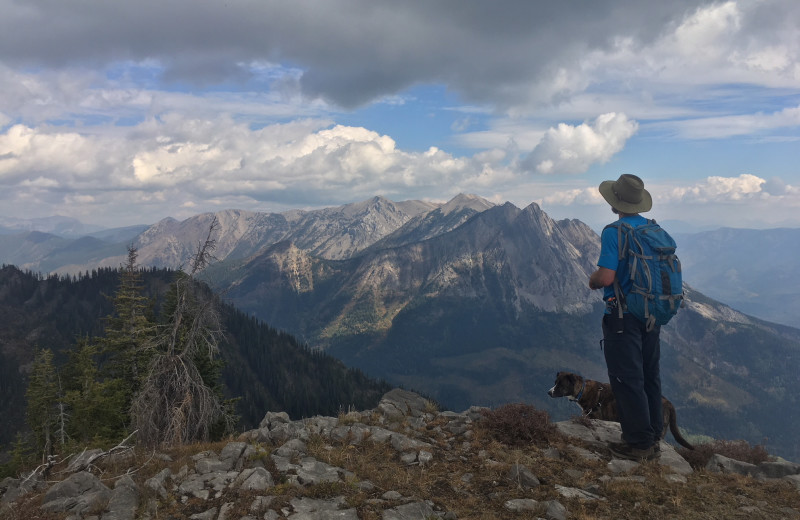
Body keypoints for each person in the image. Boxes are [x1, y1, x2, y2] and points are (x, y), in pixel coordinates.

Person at [588, 173, 663, 461]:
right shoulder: (652, 229)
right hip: (652, 315)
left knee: (626, 379)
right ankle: (653, 436)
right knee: (649, 376)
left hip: (623, 317)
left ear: (615, 202)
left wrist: (593, 281)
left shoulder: (614, 231)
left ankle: (638, 444)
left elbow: (606, 276)